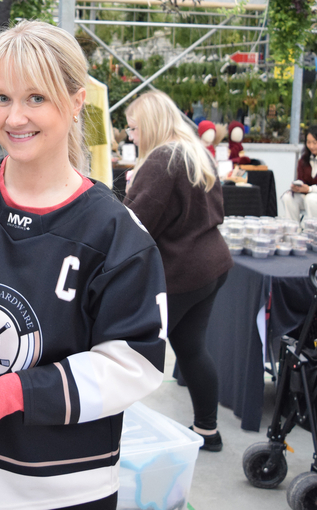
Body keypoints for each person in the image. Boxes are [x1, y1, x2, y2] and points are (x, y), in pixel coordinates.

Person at [0, 21, 167, 510]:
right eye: (0, 98)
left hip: (68, 486)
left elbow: (136, 363)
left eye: (36, 98)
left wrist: (14, 393)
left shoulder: (114, 231)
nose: (15, 117)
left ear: (76, 102)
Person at [122, 91, 233, 452]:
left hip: (181, 272)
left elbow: (136, 223)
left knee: (128, 353)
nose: (130, 136)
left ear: (150, 124)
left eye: (134, 128)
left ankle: (110, 432)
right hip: (211, 264)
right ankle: (207, 430)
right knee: (191, 348)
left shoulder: (161, 160)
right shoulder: (193, 150)